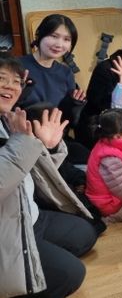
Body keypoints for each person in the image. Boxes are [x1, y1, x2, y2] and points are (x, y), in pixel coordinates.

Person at [0, 53, 97, 297]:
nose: (10, 86)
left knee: (87, 233)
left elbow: (30, 171)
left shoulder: (9, 120)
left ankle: (38, 252)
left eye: (16, 81)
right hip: (6, 228)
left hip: (29, 214)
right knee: (71, 275)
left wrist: (48, 147)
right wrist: (24, 143)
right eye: (1, 79)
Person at [19, 13, 85, 123]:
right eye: (54, 36)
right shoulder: (17, 66)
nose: (59, 44)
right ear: (39, 35)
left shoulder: (66, 73)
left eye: (66, 39)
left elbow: (67, 118)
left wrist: (74, 103)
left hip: (55, 131)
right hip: (21, 130)